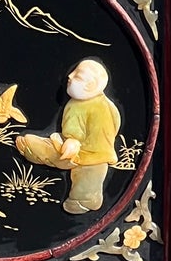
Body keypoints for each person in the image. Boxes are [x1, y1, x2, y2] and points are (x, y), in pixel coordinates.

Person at [15, 57, 121, 215]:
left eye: (78, 76)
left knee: (85, 176)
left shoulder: (88, 107)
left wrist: (74, 142)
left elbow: (84, 137)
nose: (70, 76)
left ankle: (84, 199)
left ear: (92, 86)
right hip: (87, 151)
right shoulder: (91, 103)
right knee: (89, 179)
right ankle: (85, 198)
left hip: (86, 154)